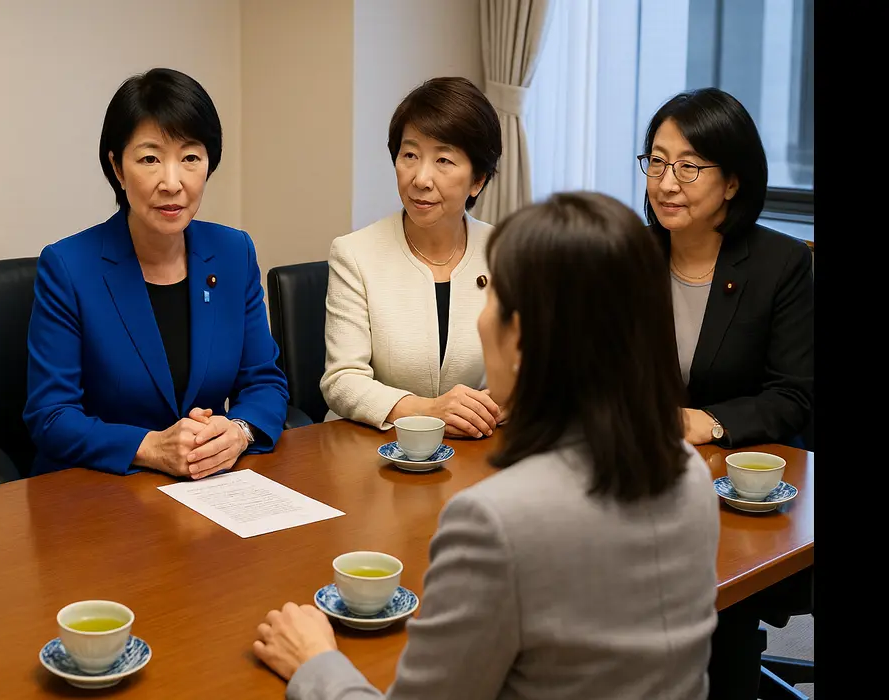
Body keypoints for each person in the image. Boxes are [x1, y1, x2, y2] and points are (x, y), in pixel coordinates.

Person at [254, 192, 721, 699]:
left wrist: (316, 663)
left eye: (492, 297)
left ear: (518, 338)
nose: (480, 319)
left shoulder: (496, 522)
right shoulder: (689, 475)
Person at [24, 67, 289, 478]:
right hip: (100, 495)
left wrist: (238, 432)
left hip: (209, 492)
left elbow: (265, 383)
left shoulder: (233, 252)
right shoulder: (68, 266)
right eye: (150, 158)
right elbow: (51, 416)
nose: (172, 182)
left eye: (190, 158)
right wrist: (151, 447)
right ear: (117, 167)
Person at [320, 77, 504, 438]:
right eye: (410, 155)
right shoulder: (354, 254)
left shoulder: (506, 252)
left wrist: (496, 407)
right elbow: (342, 381)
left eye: (444, 160)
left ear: (478, 180)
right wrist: (430, 411)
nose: (421, 178)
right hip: (372, 448)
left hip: (474, 448)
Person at [638, 87, 813, 450]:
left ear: (732, 182)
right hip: (640, 461)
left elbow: (793, 397)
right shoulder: (623, 254)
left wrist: (712, 423)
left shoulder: (782, 263)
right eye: (657, 162)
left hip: (744, 466)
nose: (667, 183)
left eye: (688, 167)